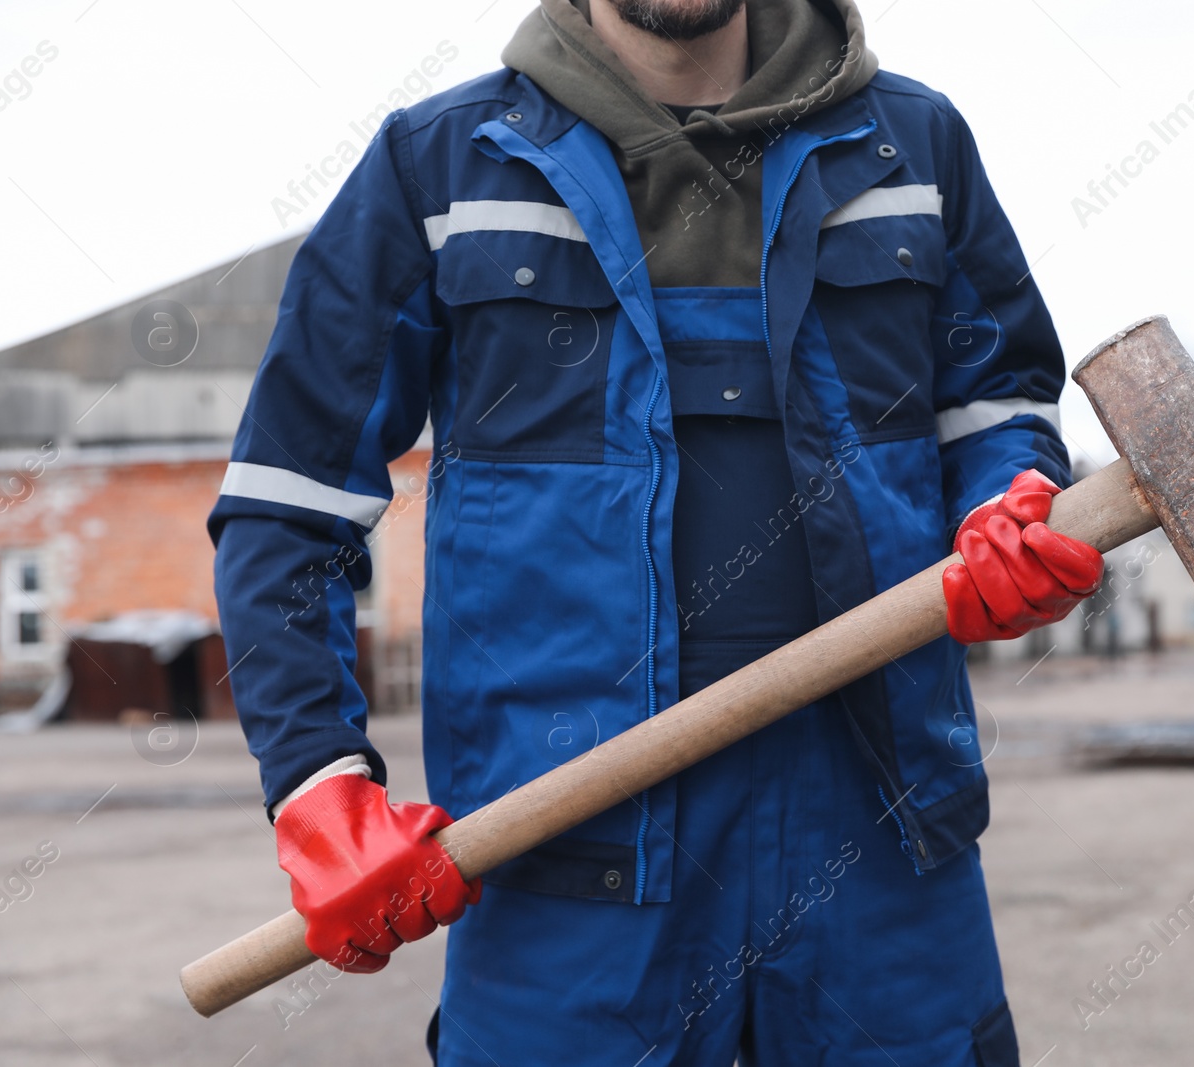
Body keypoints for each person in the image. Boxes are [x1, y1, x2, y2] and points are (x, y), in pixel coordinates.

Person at [208, 0, 1104, 1063]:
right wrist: (318, 784)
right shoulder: (440, 167)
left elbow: (994, 398)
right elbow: (288, 499)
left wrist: (1007, 499)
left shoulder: (912, 146)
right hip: (562, 849)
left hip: (879, 836)